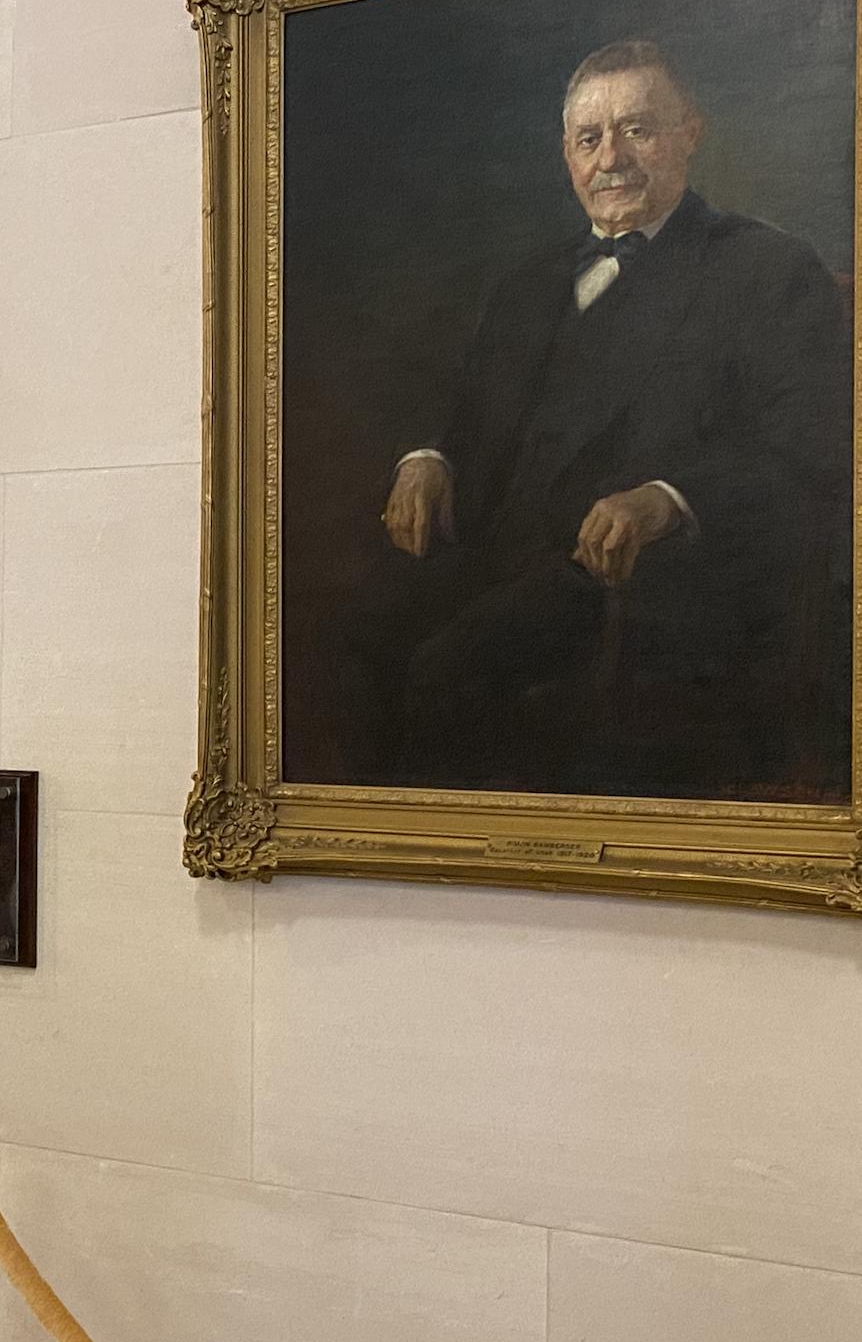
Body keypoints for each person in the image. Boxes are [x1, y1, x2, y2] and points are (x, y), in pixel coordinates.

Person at [336, 39, 850, 795]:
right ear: (568, 156)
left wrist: (668, 498)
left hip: (632, 583)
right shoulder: (528, 282)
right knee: (340, 648)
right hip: (490, 549)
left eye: (637, 129)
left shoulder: (766, 272)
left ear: (689, 134)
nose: (612, 158)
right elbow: (468, 419)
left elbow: (808, 448)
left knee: (445, 674)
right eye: (590, 138)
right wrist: (428, 459)